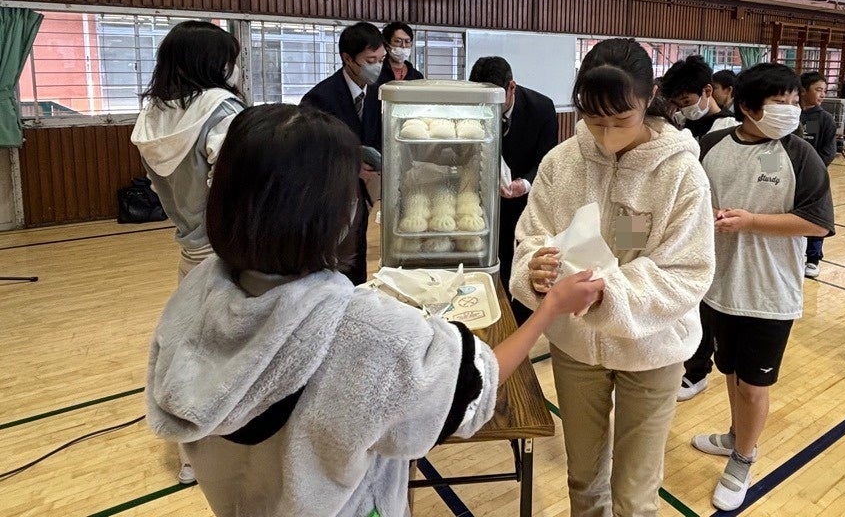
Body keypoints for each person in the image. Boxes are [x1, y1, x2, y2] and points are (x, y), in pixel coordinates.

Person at [145, 103, 603, 517]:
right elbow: (475, 386)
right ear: (330, 213)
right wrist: (549, 309)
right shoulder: (366, 334)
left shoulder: (197, 293)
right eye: (352, 188)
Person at [510, 38, 715, 517]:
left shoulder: (681, 173)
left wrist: (611, 293)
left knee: (635, 493)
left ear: (649, 99)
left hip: (653, 346)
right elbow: (531, 237)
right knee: (583, 479)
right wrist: (534, 267)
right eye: (593, 119)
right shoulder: (562, 162)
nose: (605, 134)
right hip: (576, 344)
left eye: (620, 120)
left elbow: (688, 271)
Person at [691, 63, 834, 511]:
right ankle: (736, 436)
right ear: (749, 108)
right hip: (719, 286)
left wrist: (752, 221)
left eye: (794, 102)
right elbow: (687, 202)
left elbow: (817, 223)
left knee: (754, 385)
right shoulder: (711, 145)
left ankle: (743, 459)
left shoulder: (799, 154)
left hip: (769, 293)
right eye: (780, 102)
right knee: (731, 373)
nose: (791, 110)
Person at [130, 20, 246, 485]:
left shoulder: (155, 115)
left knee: (191, 346)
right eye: (231, 59)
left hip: (189, 248)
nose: (235, 68)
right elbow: (237, 185)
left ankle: (190, 453)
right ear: (213, 63)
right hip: (228, 252)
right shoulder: (221, 111)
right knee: (227, 352)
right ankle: (209, 450)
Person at [660, 55, 736, 403]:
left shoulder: (728, 130)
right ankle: (685, 359)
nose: (681, 108)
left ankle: (697, 370)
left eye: (686, 100)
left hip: (712, 225)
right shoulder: (677, 126)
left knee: (705, 301)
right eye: (676, 103)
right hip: (677, 224)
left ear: (707, 91)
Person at [468, 56, 558, 325]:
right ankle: (490, 311)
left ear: (512, 88)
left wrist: (525, 184)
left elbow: (547, 159)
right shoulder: (473, 106)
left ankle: (520, 319)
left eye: (496, 100)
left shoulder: (541, 108)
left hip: (526, 197)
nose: (489, 109)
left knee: (525, 256)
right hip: (484, 197)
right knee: (491, 255)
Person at [301, 21, 387, 286]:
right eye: (370, 61)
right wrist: (349, 164)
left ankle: (356, 292)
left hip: (363, 196)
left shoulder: (380, 93)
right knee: (330, 259)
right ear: (347, 58)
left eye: (381, 59)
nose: (377, 67)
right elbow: (308, 152)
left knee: (356, 252)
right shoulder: (320, 98)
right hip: (330, 197)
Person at [799, 71, 838, 278]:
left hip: (813, 177)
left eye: (824, 90)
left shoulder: (825, 119)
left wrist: (813, 171)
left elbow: (829, 151)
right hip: (788, 175)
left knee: (814, 216)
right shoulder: (790, 114)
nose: (822, 94)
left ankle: (813, 259)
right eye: (818, 90)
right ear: (803, 91)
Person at [661, 55, 739, 138]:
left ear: (707, 91)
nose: (684, 109)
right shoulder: (678, 120)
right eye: (678, 105)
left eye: (686, 102)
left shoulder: (730, 127)